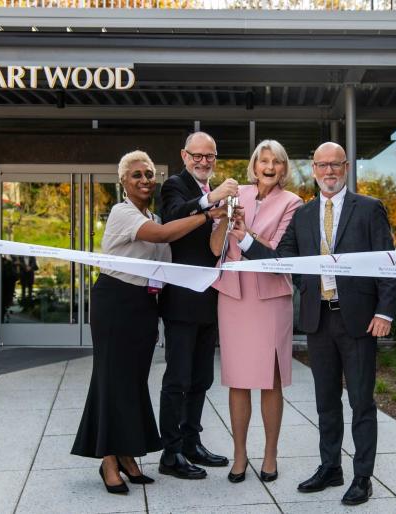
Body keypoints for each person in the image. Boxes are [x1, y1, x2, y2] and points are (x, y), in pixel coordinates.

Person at [237, 142, 396, 506]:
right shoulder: (304, 215)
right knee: (326, 401)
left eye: (336, 165)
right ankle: (330, 467)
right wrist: (244, 239)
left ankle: (362, 477)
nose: (329, 172)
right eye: (322, 165)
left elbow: (389, 262)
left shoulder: (369, 209)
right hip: (318, 318)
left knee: (360, 402)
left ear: (345, 168)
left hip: (358, 320)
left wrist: (385, 311)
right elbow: (283, 261)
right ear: (313, 169)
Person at [71, 150, 227, 495]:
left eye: (149, 174)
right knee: (111, 379)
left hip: (144, 304)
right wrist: (206, 214)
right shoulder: (123, 212)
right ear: (123, 181)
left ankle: (128, 455)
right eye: (137, 175)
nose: (145, 180)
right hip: (115, 301)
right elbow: (161, 236)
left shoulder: (153, 213)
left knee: (133, 381)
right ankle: (108, 459)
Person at [209, 140, 303, 483]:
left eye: (276, 161)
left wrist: (245, 232)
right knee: (237, 379)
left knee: (270, 380)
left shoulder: (293, 203)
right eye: (264, 160)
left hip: (270, 298)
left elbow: (279, 251)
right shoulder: (237, 193)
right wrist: (223, 218)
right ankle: (239, 455)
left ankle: (270, 455)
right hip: (233, 297)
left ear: (283, 168)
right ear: (254, 164)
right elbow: (216, 248)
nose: (269, 166)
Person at [157, 132, 237, 479]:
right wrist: (211, 203)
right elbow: (173, 216)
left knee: (202, 377)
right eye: (197, 156)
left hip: (210, 298)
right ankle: (170, 452)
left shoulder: (211, 192)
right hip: (181, 300)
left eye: (210, 156)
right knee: (178, 377)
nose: (204, 162)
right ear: (184, 156)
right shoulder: (174, 185)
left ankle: (192, 442)